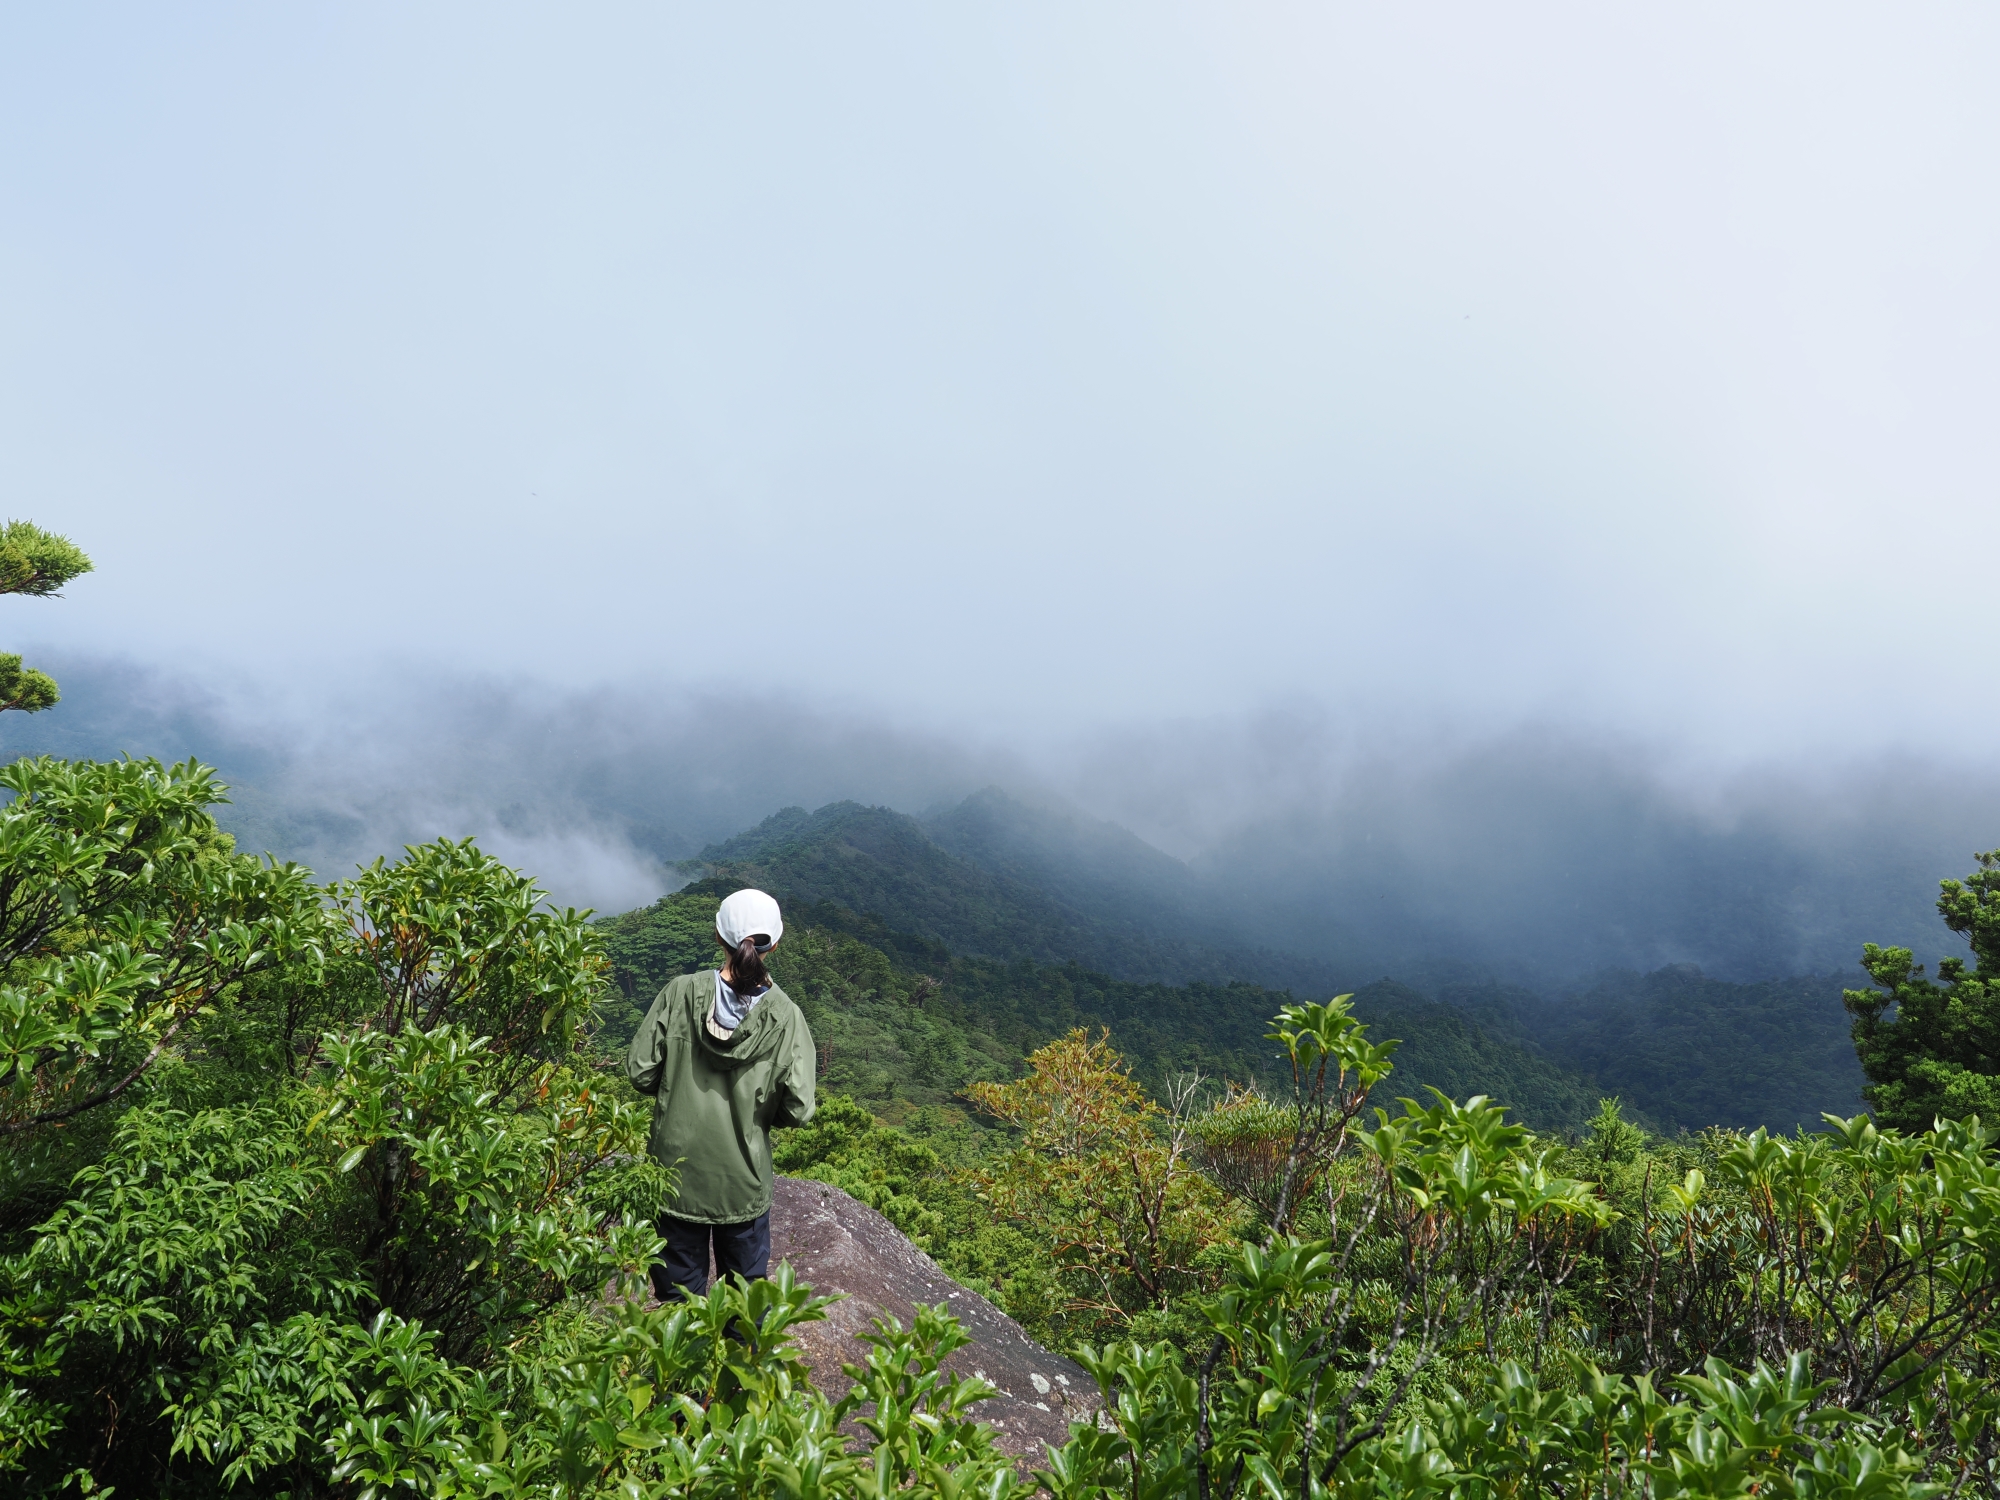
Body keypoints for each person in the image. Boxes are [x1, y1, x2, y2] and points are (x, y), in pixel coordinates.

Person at [624, 887, 817, 1302]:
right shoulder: (787, 1017)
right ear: (775, 944)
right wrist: (761, 1113)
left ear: (718, 937)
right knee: (743, 1311)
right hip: (743, 1184)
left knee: (676, 1306)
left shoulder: (680, 993)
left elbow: (640, 1073)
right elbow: (799, 1109)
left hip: (674, 1179)